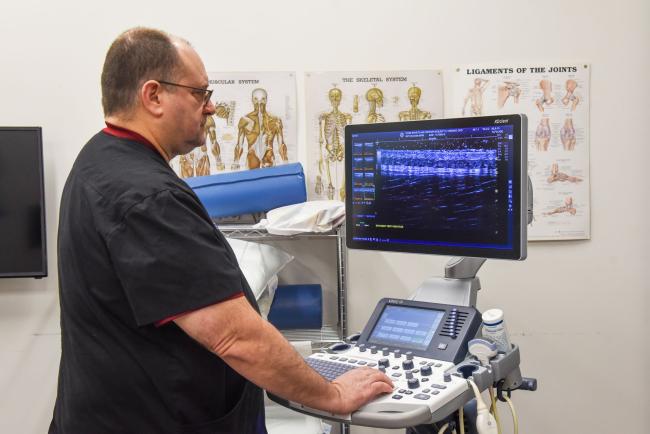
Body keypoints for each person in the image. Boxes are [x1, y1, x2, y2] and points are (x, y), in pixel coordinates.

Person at [49, 27, 393, 434]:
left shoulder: (99, 159)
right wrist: (331, 394)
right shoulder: (147, 197)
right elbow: (234, 338)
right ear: (153, 95)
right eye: (200, 93)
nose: (210, 108)